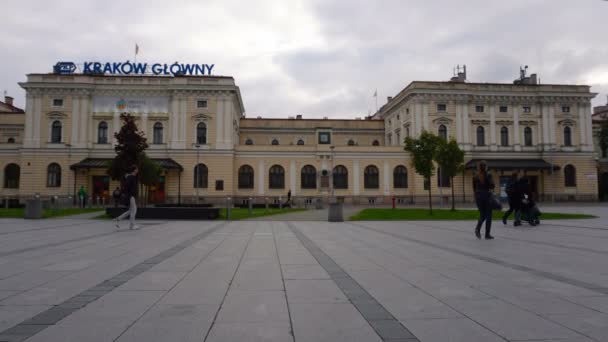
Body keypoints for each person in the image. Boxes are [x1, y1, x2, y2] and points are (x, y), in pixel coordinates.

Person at [473, 161, 495, 239]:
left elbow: (474, 188)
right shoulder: (488, 174)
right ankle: (487, 234)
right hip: (486, 196)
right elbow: (492, 185)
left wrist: (476, 195)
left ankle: (477, 229)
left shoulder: (475, 175)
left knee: (483, 214)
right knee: (488, 215)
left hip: (478, 196)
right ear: (485, 167)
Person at [114, 165, 139, 230]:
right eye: (137, 169)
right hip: (130, 196)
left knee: (131, 210)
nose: (138, 170)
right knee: (133, 210)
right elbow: (126, 186)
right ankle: (132, 225)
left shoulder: (132, 177)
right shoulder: (131, 177)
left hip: (131, 195)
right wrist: (129, 194)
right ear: (134, 170)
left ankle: (118, 219)